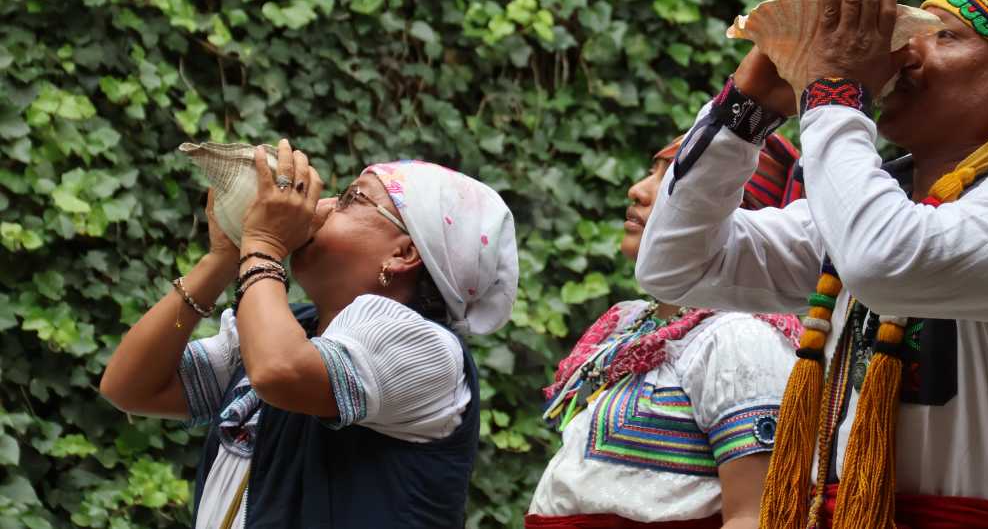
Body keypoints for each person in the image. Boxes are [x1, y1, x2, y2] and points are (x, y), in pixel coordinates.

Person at [635, 0, 988, 529]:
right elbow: (677, 266)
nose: (906, 50)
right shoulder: (879, 209)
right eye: (916, 29)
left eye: (945, 36)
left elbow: (880, 262)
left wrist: (834, 90)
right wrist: (746, 111)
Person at [100, 140, 518, 528]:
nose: (325, 205)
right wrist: (222, 260)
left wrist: (262, 245)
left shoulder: (427, 349)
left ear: (404, 253)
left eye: (351, 199)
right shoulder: (289, 328)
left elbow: (279, 371)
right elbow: (133, 387)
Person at [525, 133, 806, 529]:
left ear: (734, 215)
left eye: (674, 179)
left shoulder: (741, 337)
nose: (637, 190)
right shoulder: (633, 323)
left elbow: (755, 516)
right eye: (651, 172)